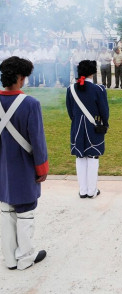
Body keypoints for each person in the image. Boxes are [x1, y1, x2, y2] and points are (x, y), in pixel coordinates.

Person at [0, 56, 49, 270]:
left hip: (2, 169)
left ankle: (10, 259)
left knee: (6, 213)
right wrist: (42, 168)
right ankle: (26, 257)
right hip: (23, 167)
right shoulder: (30, 104)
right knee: (25, 212)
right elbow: (37, 141)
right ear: (20, 78)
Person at [66, 60, 109, 199]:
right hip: (93, 126)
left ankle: (83, 190)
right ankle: (92, 190)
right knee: (92, 157)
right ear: (93, 72)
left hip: (77, 126)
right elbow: (104, 111)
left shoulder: (70, 89)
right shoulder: (99, 89)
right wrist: (105, 124)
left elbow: (70, 112)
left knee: (80, 157)